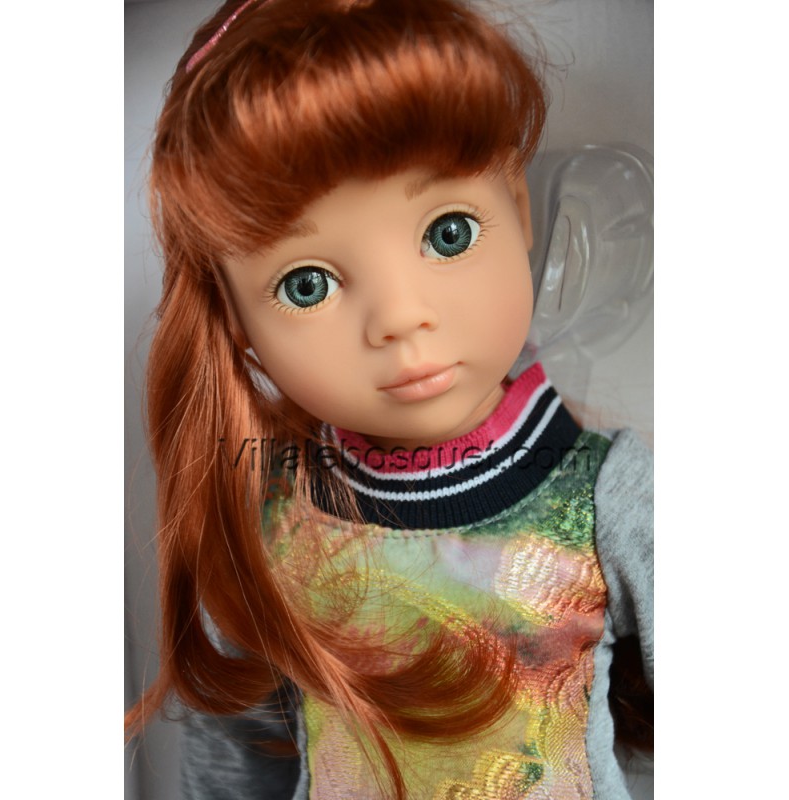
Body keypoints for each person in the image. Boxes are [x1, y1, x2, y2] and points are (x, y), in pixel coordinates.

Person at [126, 1, 653, 798]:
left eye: (449, 233)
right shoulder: (267, 518)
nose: (401, 318)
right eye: (308, 284)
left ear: (518, 209)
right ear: (234, 318)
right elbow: (236, 765)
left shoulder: (609, 497)